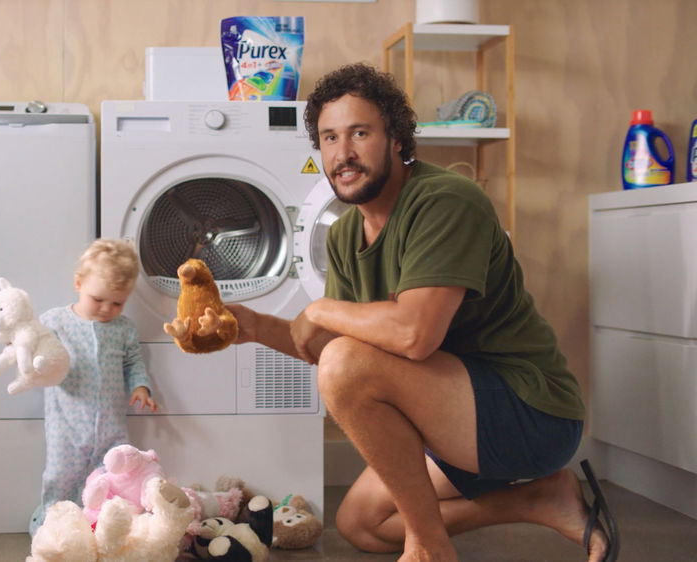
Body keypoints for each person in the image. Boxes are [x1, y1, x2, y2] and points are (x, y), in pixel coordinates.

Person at [227, 63, 617, 562]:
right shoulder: (345, 235)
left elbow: (414, 335)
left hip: (528, 410)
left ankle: (429, 546)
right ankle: (538, 500)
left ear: (396, 139)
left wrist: (321, 308)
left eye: (359, 133)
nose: (342, 154)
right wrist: (255, 326)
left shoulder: (445, 201)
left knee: (348, 367)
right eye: (329, 138)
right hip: (450, 409)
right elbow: (337, 351)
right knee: (363, 525)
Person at [29, 238, 158, 535]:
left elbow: (133, 362)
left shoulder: (123, 329)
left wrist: (141, 387)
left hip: (112, 427)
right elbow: (34, 349)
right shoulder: (55, 322)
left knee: (113, 477)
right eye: (98, 299)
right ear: (79, 284)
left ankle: (103, 527)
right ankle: (51, 527)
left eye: (117, 303)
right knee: (60, 475)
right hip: (66, 424)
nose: (106, 309)